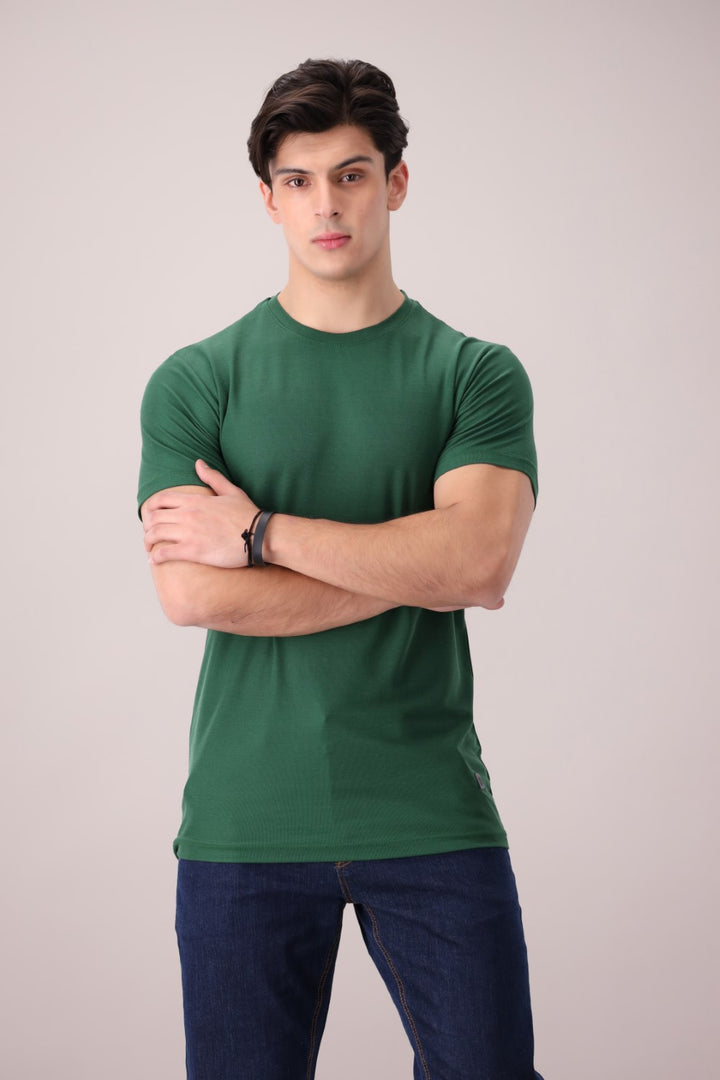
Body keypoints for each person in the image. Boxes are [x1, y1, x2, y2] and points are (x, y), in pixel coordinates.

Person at [138, 57, 544, 1080]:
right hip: (243, 822)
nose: (327, 204)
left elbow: (480, 562)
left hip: (430, 808)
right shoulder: (196, 381)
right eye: (300, 180)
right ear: (269, 198)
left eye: (352, 175)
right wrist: (417, 563)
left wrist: (262, 533)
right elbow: (191, 593)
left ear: (395, 183)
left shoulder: (473, 373)